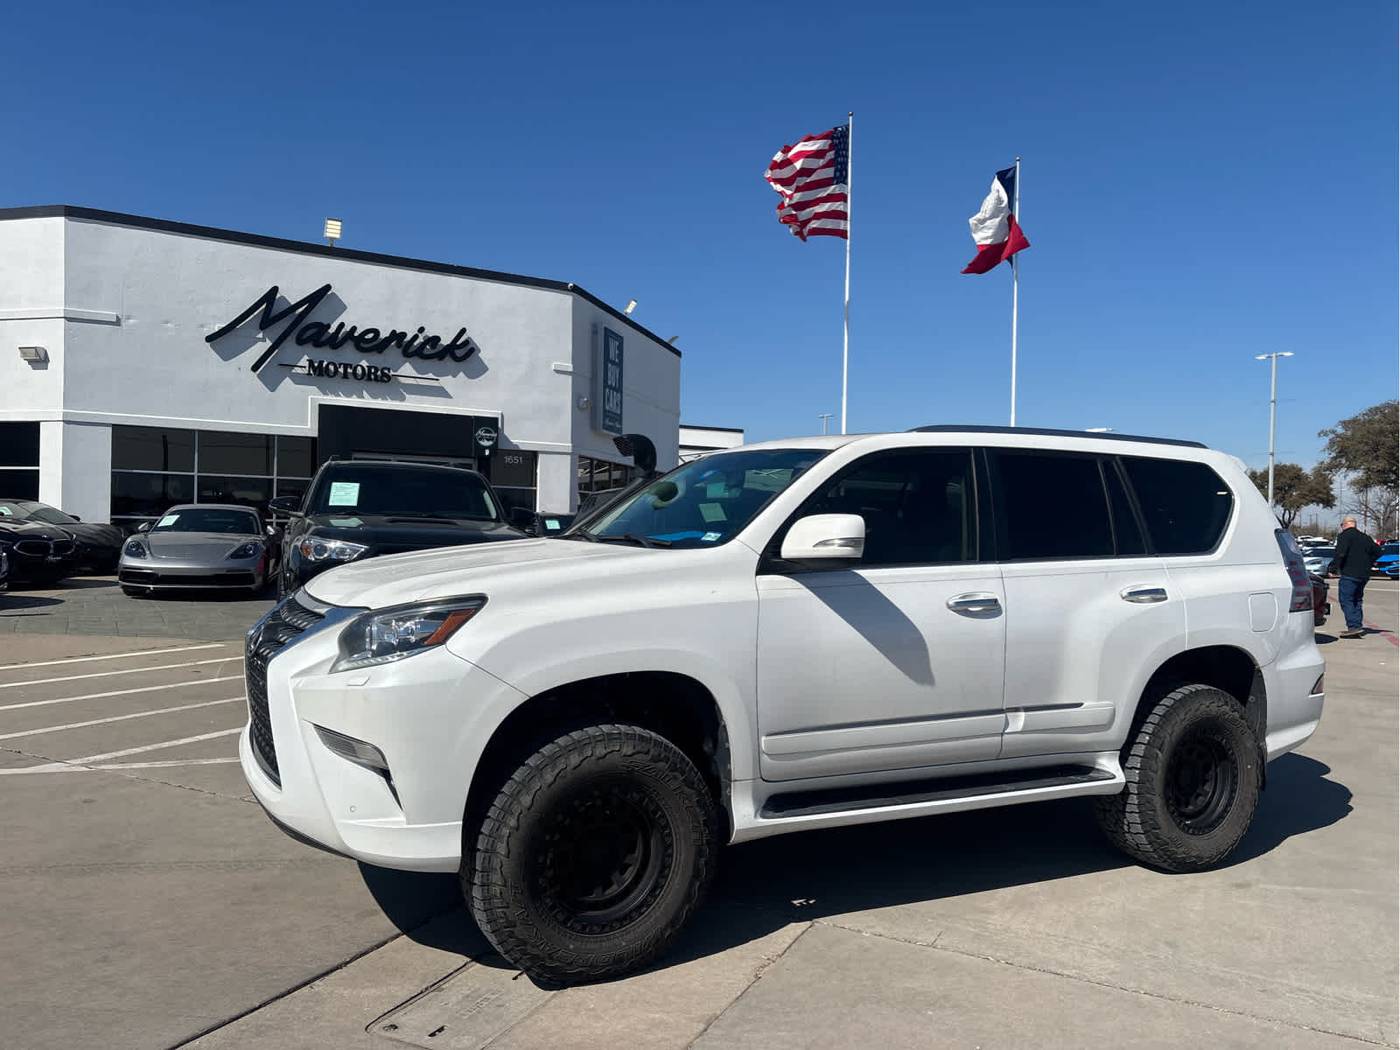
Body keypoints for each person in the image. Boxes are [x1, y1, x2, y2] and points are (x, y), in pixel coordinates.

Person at [1328, 517, 1381, 638]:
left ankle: (1353, 626)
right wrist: (1369, 562)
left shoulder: (1344, 536)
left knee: (1346, 599)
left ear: (1345, 524)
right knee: (1357, 599)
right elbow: (1378, 551)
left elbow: (1340, 553)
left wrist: (1333, 568)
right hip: (1364, 574)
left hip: (1350, 573)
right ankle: (1357, 625)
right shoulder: (1365, 537)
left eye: (1342, 525)